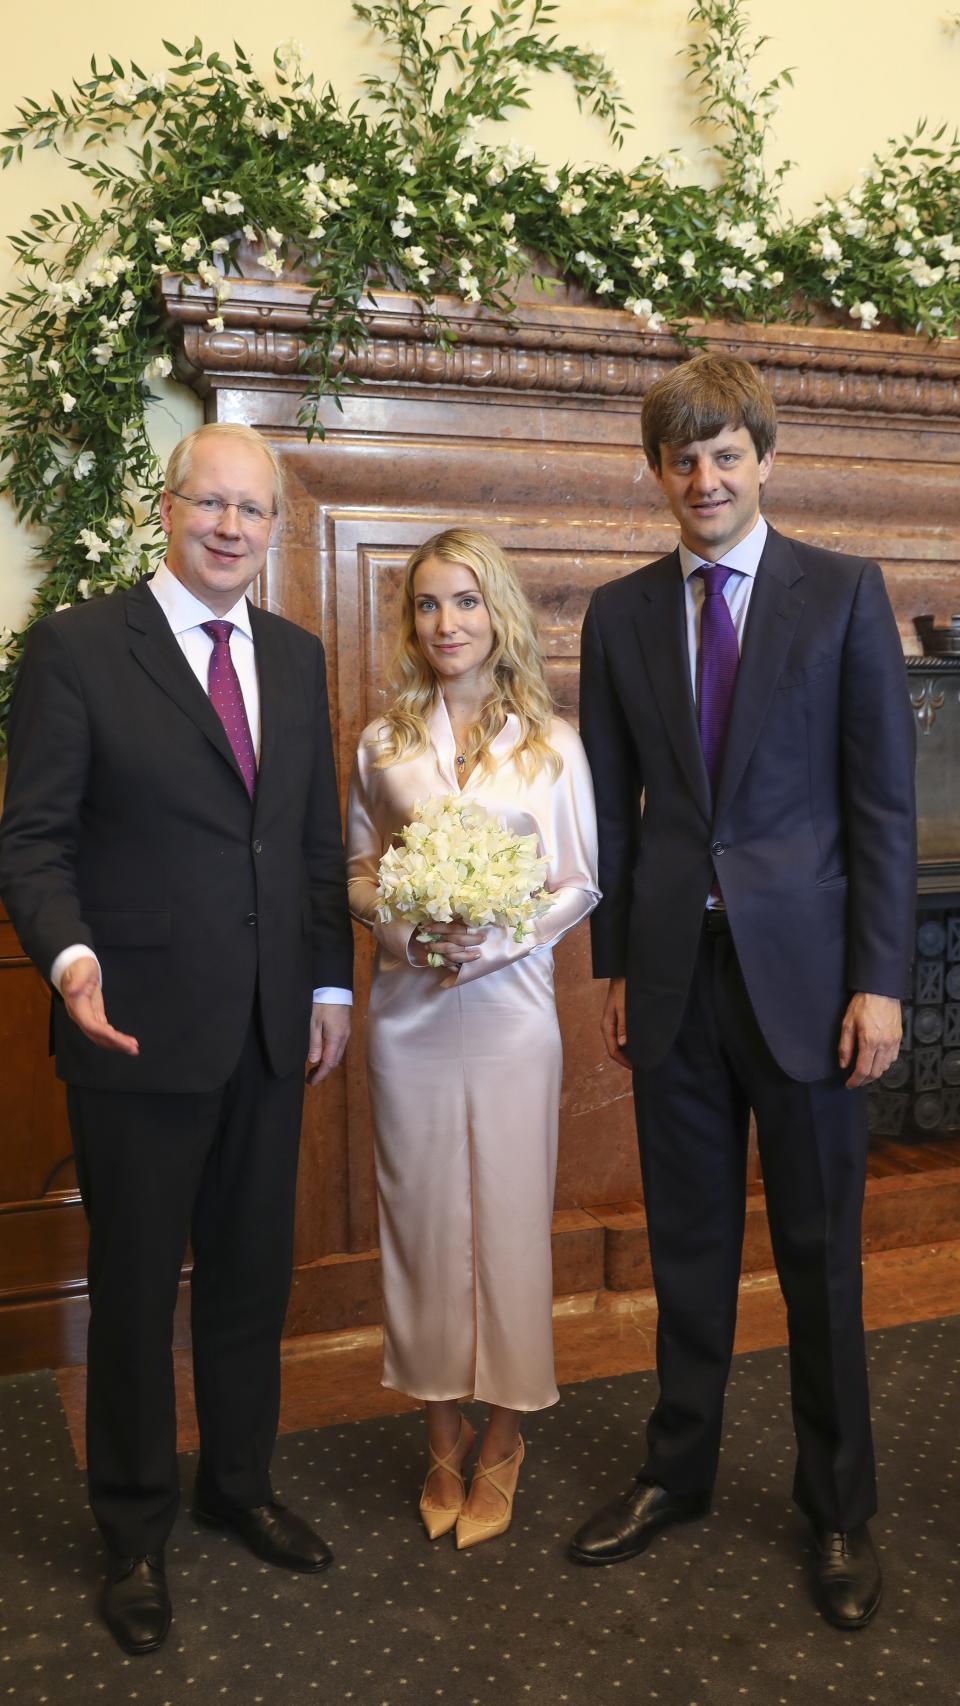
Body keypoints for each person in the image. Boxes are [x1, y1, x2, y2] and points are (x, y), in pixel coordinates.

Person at [570, 353, 916, 1629]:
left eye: (725, 453)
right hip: (671, 981)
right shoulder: (617, 614)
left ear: (765, 460)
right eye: (682, 457)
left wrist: (880, 981)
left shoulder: (840, 595)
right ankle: (679, 1471)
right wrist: (611, 965)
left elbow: (881, 808)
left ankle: (840, 1506)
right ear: (657, 474)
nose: (704, 477)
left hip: (814, 985)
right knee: (691, 1249)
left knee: (823, 1256)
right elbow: (613, 808)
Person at [0, 423, 354, 1655]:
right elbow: (32, 839)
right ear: (167, 508)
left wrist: (329, 988)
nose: (230, 528)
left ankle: (239, 1482)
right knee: (140, 1295)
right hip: (133, 1032)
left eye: (252, 512)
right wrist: (70, 955)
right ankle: (135, 1527)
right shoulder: (79, 649)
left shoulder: (299, 658)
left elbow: (310, 844)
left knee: (253, 1282)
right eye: (210, 503)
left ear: (272, 530)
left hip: (269, 1031)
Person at [346, 528, 599, 1548]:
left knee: (503, 1215)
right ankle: (438, 1426)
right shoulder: (381, 745)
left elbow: (581, 879)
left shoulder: (555, 745)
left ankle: (504, 1434)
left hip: (509, 1013)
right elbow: (358, 868)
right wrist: (408, 930)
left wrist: (495, 944)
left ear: (499, 613)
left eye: (465, 601)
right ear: (410, 622)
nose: (445, 623)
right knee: (418, 1221)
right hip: (407, 1012)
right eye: (426, 605)